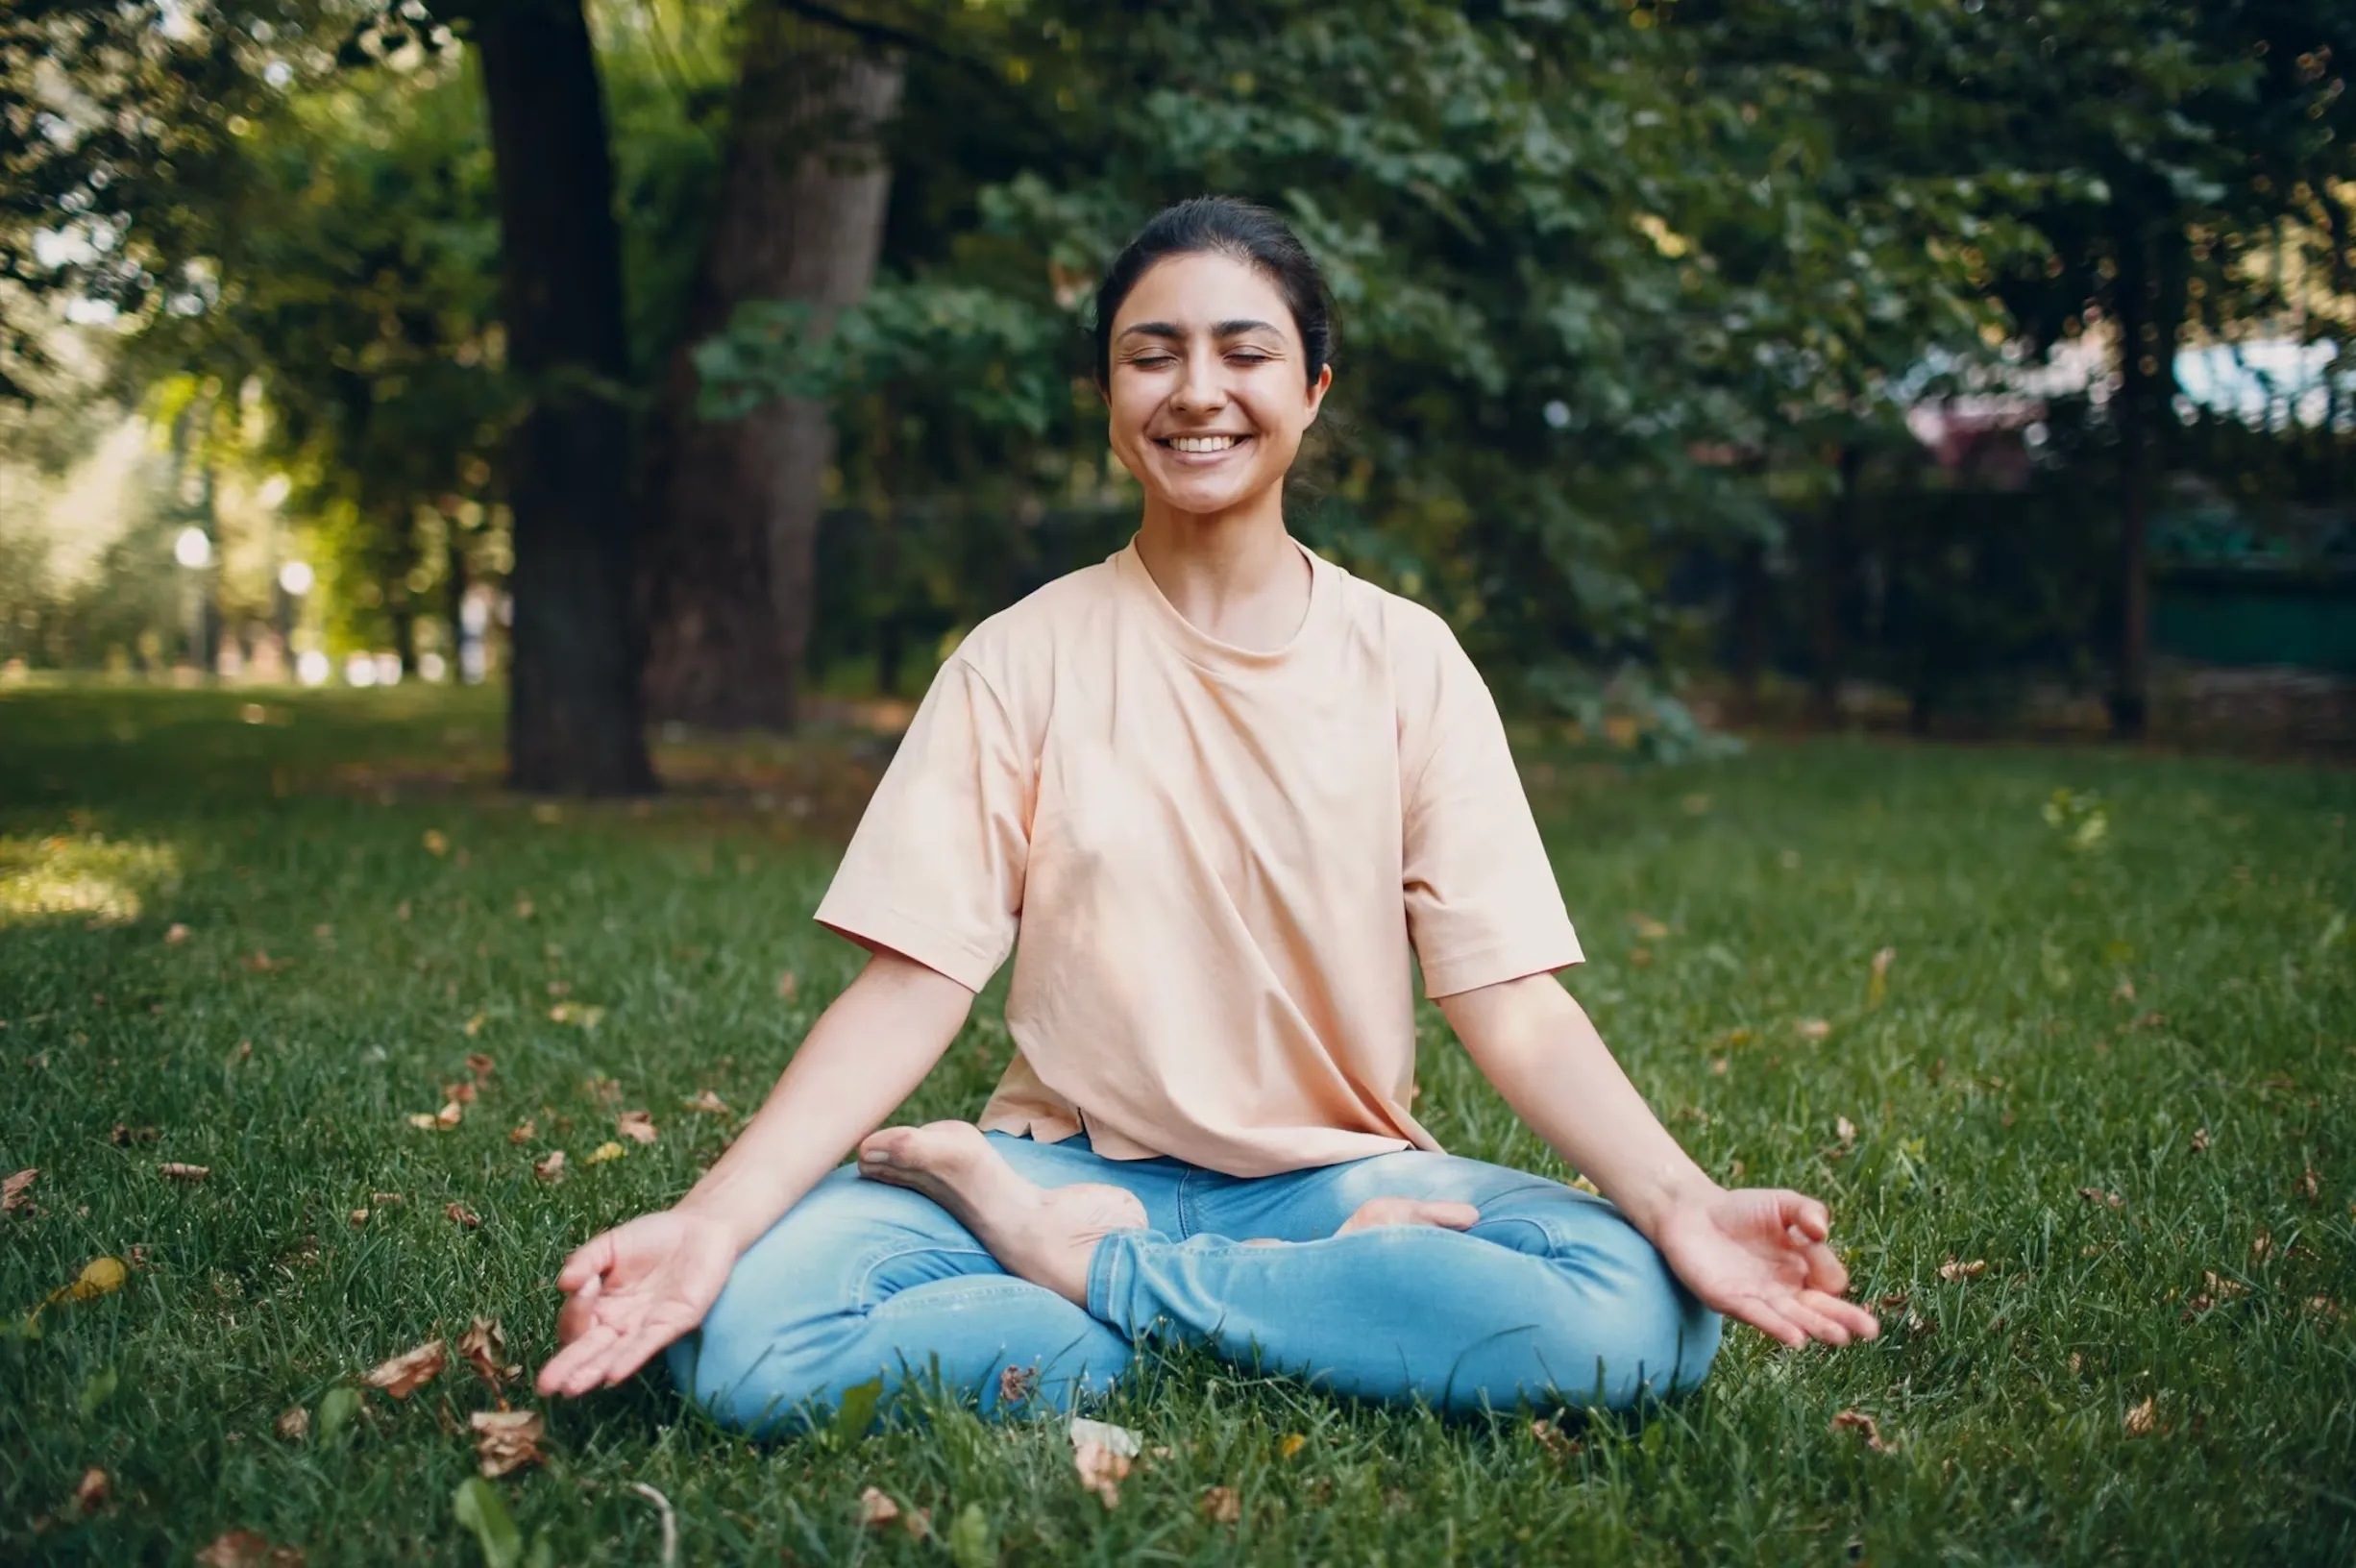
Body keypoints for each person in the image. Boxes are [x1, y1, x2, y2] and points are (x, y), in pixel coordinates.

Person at [535, 196, 1878, 1432]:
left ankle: (1098, 1281)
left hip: (1328, 1183)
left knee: (1635, 1319)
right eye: (1149, 353)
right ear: (1110, 397)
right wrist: (710, 1225)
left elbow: (1509, 997)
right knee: (750, 1351)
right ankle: (1261, 1299)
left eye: (1243, 351)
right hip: (1054, 1162)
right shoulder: (1020, 657)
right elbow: (907, 988)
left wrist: (1682, 1202)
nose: (1196, 392)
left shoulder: (1407, 660)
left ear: (1312, 390)